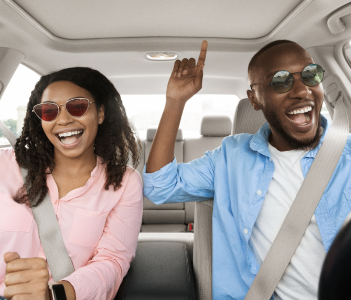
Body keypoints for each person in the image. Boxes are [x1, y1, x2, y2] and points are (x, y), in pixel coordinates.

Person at [143, 40, 351, 299]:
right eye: (281, 81)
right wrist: (175, 102)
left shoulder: (347, 155)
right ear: (254, 99)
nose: (302, 90)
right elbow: (159, 186)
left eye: (310, 75)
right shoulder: (231, 157)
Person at [0, 67, 143, 300]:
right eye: (49, 111)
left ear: (100, 113)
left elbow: (112, 261)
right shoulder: (3, 165)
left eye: (78, 106)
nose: (64, 119)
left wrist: (54, 294)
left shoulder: (124, 182)